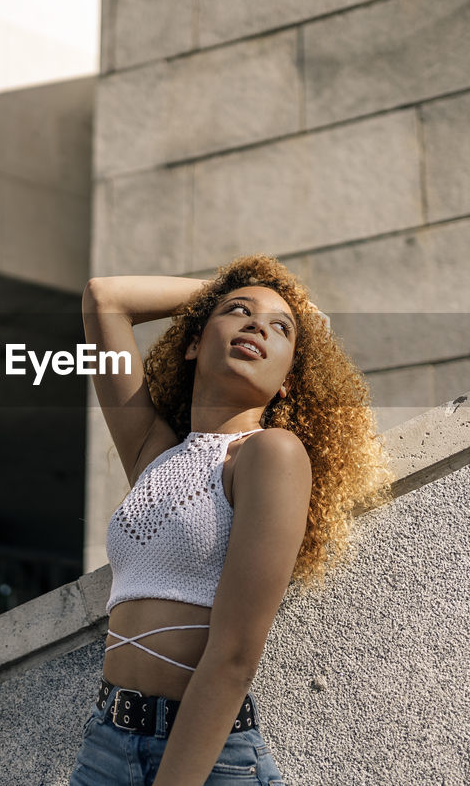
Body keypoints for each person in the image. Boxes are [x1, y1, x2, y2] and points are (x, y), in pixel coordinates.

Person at [71, 253, 393, 785]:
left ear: (289, 380)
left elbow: (235, 656)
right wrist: (230, 290)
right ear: (194, 343)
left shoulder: (270, 455)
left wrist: (238, 303)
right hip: (106, 743)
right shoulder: (154, 454)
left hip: (207, 761)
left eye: (281, 329)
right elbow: (104, 299)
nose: (256, 326)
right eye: (240, 314)